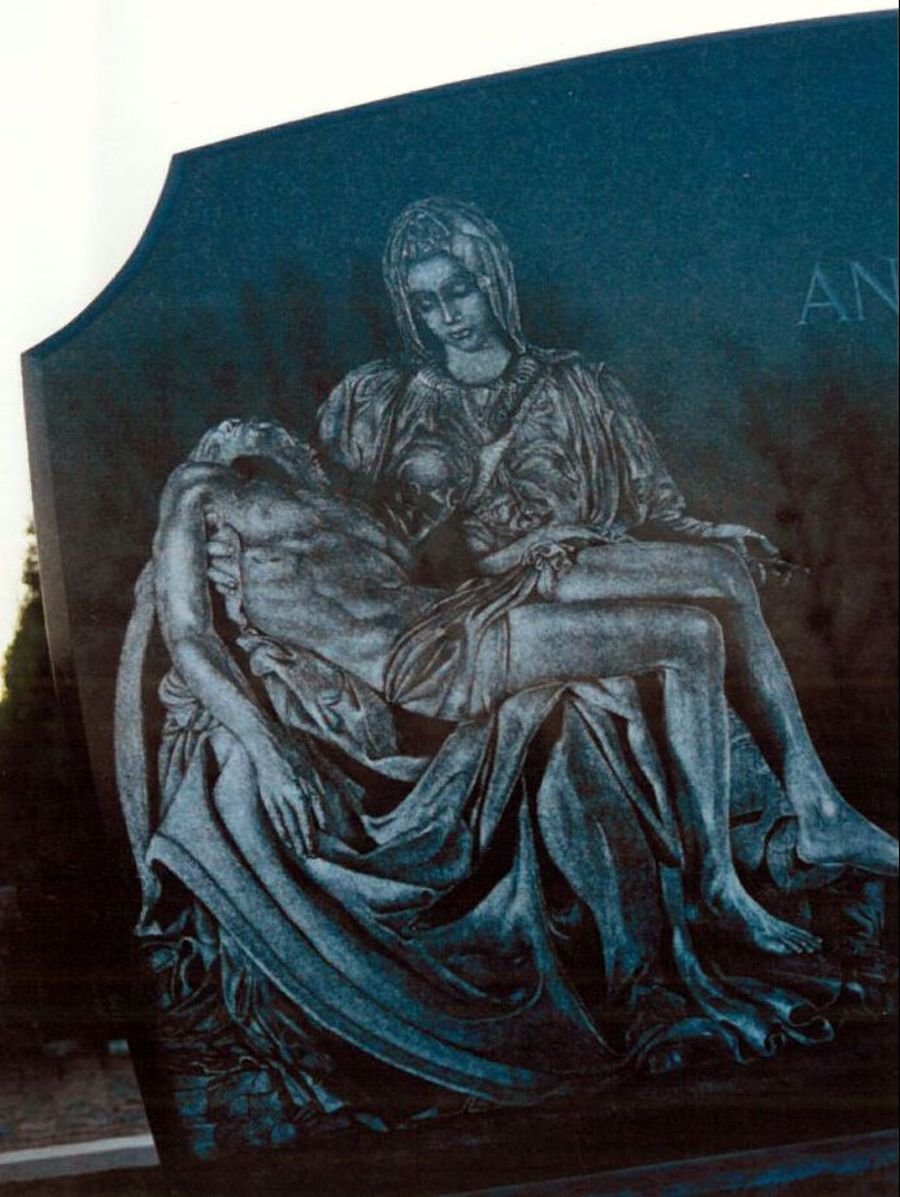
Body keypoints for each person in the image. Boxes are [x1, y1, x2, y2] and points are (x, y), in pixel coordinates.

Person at [317, 197, 898, 900]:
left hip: (586, 562)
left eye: (459, 289)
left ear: (492, 279)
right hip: (499, 590)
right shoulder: (398, 404)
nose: (447, 315)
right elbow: (375, 540)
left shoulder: (578, 384)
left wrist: (714, 532)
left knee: (715, 582)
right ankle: (817, 809)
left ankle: (793, 819)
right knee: (713, 583)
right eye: (427, 302)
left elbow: (655, 509)